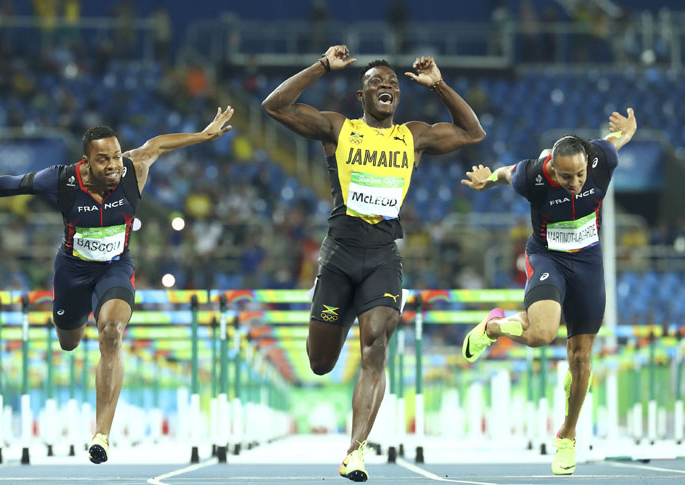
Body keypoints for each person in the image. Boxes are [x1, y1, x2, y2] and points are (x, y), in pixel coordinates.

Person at [0, 106, 234, 464]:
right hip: (72, 273)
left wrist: (203, 135)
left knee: (111, 332)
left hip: (115, 269)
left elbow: (158, 144)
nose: (113, 165)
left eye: (115, 156)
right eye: (104, 160)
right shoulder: (60, 179)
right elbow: (7, 184)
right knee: (69, 342)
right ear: (87, 162)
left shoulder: (133, 169)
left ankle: (102, 435)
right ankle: (70, 321)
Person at [262, 45, 485, 482]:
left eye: (393, 85)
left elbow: (472, 133)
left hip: (383, 256)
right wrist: (323, 66)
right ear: (360, 97)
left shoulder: (412, 136)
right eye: (376, 84)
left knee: (377, 345)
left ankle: (355, 451)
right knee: (320, 362)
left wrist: (438, 84)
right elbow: (275, 106)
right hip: (340, 253)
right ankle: (345, 315)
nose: (386, 87)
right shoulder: (336, 129)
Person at [460, 108, 636, 475]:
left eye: (580, 175)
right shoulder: (532, 177)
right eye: (566, 176)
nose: (575, 183)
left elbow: (618, 140)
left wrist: (627, 130)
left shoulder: (603, 159)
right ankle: (494, 328)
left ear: (589, 163)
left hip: (588, 263)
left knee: (581, 358)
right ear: (552, 169)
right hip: (547, 258)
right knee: (542, 335)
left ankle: (567, 436)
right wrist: (486, 179)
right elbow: (506, 172)